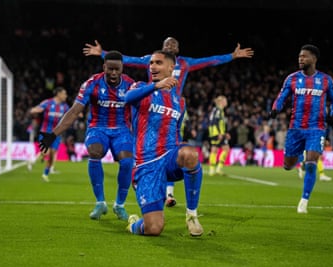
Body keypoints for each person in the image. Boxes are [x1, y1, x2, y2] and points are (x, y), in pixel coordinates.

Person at [84, 37, 254, 207]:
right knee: (147, 144)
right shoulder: (153, 61)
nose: (170, 46)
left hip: (173, 108)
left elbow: (209, 61)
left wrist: (232, 56)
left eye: (173, 44)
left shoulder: (185, 63)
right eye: (167, 44)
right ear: (162, 47)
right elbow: (128, 60)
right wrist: (102, 54)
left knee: (172, 147)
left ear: (177, 50)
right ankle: (143, 177)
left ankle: (169, 193)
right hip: (150, 104)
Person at [38, 51, 134, 221]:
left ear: (122, 69)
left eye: (116, 69)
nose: (113, 73)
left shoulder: (130, 85)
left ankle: (119, 205)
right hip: (98, 128)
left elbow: (140, 112)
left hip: (122, 129)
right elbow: (75, 111)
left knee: (127, 162)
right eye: (109, 69)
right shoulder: (91, 84)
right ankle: (100, 202)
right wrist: (53, 134)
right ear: (104, 67)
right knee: (95, 152)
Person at [125, 50, 204, 236]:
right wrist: (156, 86)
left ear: (171, 67)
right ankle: (134, 224)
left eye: (158, 63)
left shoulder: (179, 102)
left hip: (168, 157)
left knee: (190, 154)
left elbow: (176, 131)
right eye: (151, 63)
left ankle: (191, 215)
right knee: (154, 228)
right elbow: (126, 99)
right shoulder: (141, 88)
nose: (152, 66)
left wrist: (180, 151)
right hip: (146, 165)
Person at [269, 44, 333, 214]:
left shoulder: (326, 80)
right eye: (299, 56)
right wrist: (275, 108)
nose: (300, 59)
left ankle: (304, 200)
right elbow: (281, 97)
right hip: (296, 128)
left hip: (317, 128)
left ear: (314, 59)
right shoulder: (292, 79)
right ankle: (298, 161)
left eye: (304, 56)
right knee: (288, 165)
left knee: (311, 162)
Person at [28, 86, 69, 181]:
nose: (66, 96)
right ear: (59, 94)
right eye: (64, 93)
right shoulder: (48, 102)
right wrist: (34, 109)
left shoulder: (64, 106)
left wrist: (78, 113)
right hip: (46, 131)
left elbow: (71, 113)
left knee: (52, 154)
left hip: (57, 133)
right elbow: (39, 108)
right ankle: (34, 161)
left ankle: (45, 174)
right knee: (46, 152)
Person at [208, 96, 231, 174]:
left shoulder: (216, 110)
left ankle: (212, 170)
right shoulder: (218, 110)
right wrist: (220, 133)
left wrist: (225, 133)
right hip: (217, 133)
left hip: (214, 132)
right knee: (226, 149)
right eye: (225, 100)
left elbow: (218, 123)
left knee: (214, 149)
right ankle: (218, 168)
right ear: (221, 102)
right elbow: (215, 121)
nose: (226, 102)